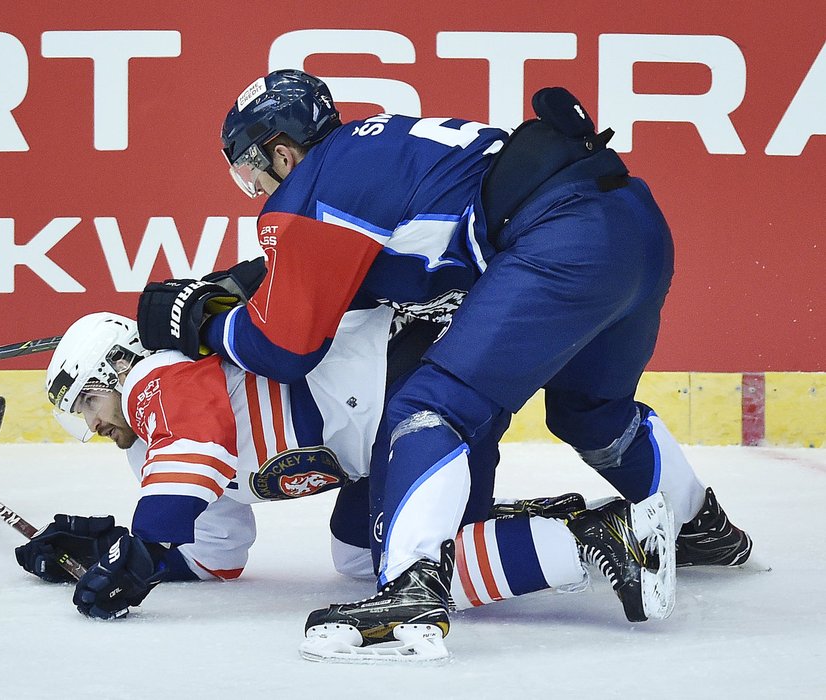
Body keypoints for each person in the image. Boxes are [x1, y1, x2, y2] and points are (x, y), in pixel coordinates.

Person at [134, 69, 752, 660]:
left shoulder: (309, 188)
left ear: (282, 152)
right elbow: (368, 272)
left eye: (250, 171)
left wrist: (205, 322)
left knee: (427, 409)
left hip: (560, 240)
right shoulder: (370, 148)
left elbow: (285, 350)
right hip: (632, 225)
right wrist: (241, 284)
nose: (256, 188)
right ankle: (701, 525)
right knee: (592, 411)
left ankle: (410, 594)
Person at [18, 310, 677, 662]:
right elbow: (217, 552)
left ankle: (598, 538)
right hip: (387, 433)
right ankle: (525, 528)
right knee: (357, 555)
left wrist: (136, 545)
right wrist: (110, 548)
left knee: (406, 573)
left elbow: (196, 449)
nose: (91, 426)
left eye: (85, 407)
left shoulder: (158, 378)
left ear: (110, 372)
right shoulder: (154, 448)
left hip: (418, 385)